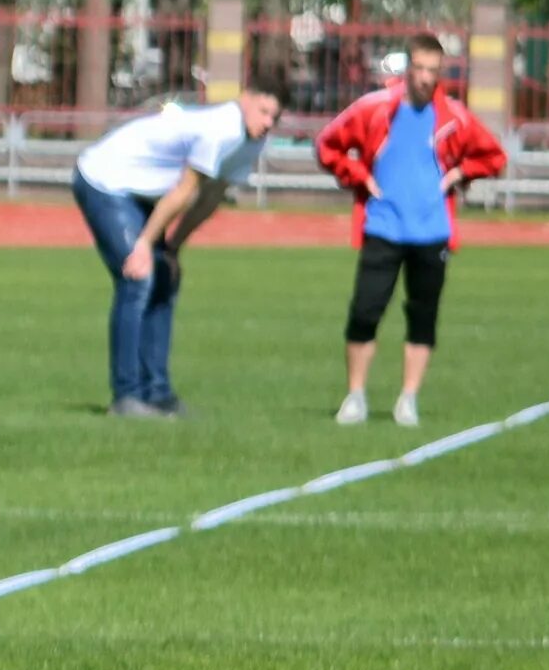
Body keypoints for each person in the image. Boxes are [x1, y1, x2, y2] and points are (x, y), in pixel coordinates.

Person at [69, 54, 288, 417]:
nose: (267, 123)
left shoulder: (251, 141)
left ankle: (158, 394)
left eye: (274, 118)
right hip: (104, 178)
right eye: (263, 111)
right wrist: (143, 246)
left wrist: (172, 248)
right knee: (138, 279)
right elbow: (185, 190)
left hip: (138, 191)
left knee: (164, 277)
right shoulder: (222, 128)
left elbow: (211, 196)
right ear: (245, 98)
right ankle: (126, 397)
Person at [313, 34, 505, 425]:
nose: (424, 77)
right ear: (407, 68)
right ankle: (355, 397)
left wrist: (459, 173)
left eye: (432, 70)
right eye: (418, 68)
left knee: (423, 317)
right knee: (365, 311)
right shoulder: (375, 108)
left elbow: (494, 156)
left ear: (440, 73)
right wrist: (357, 174)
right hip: (383, 227)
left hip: (432, 231)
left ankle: (408, 400)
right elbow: (327, 146)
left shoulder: (453, 117)